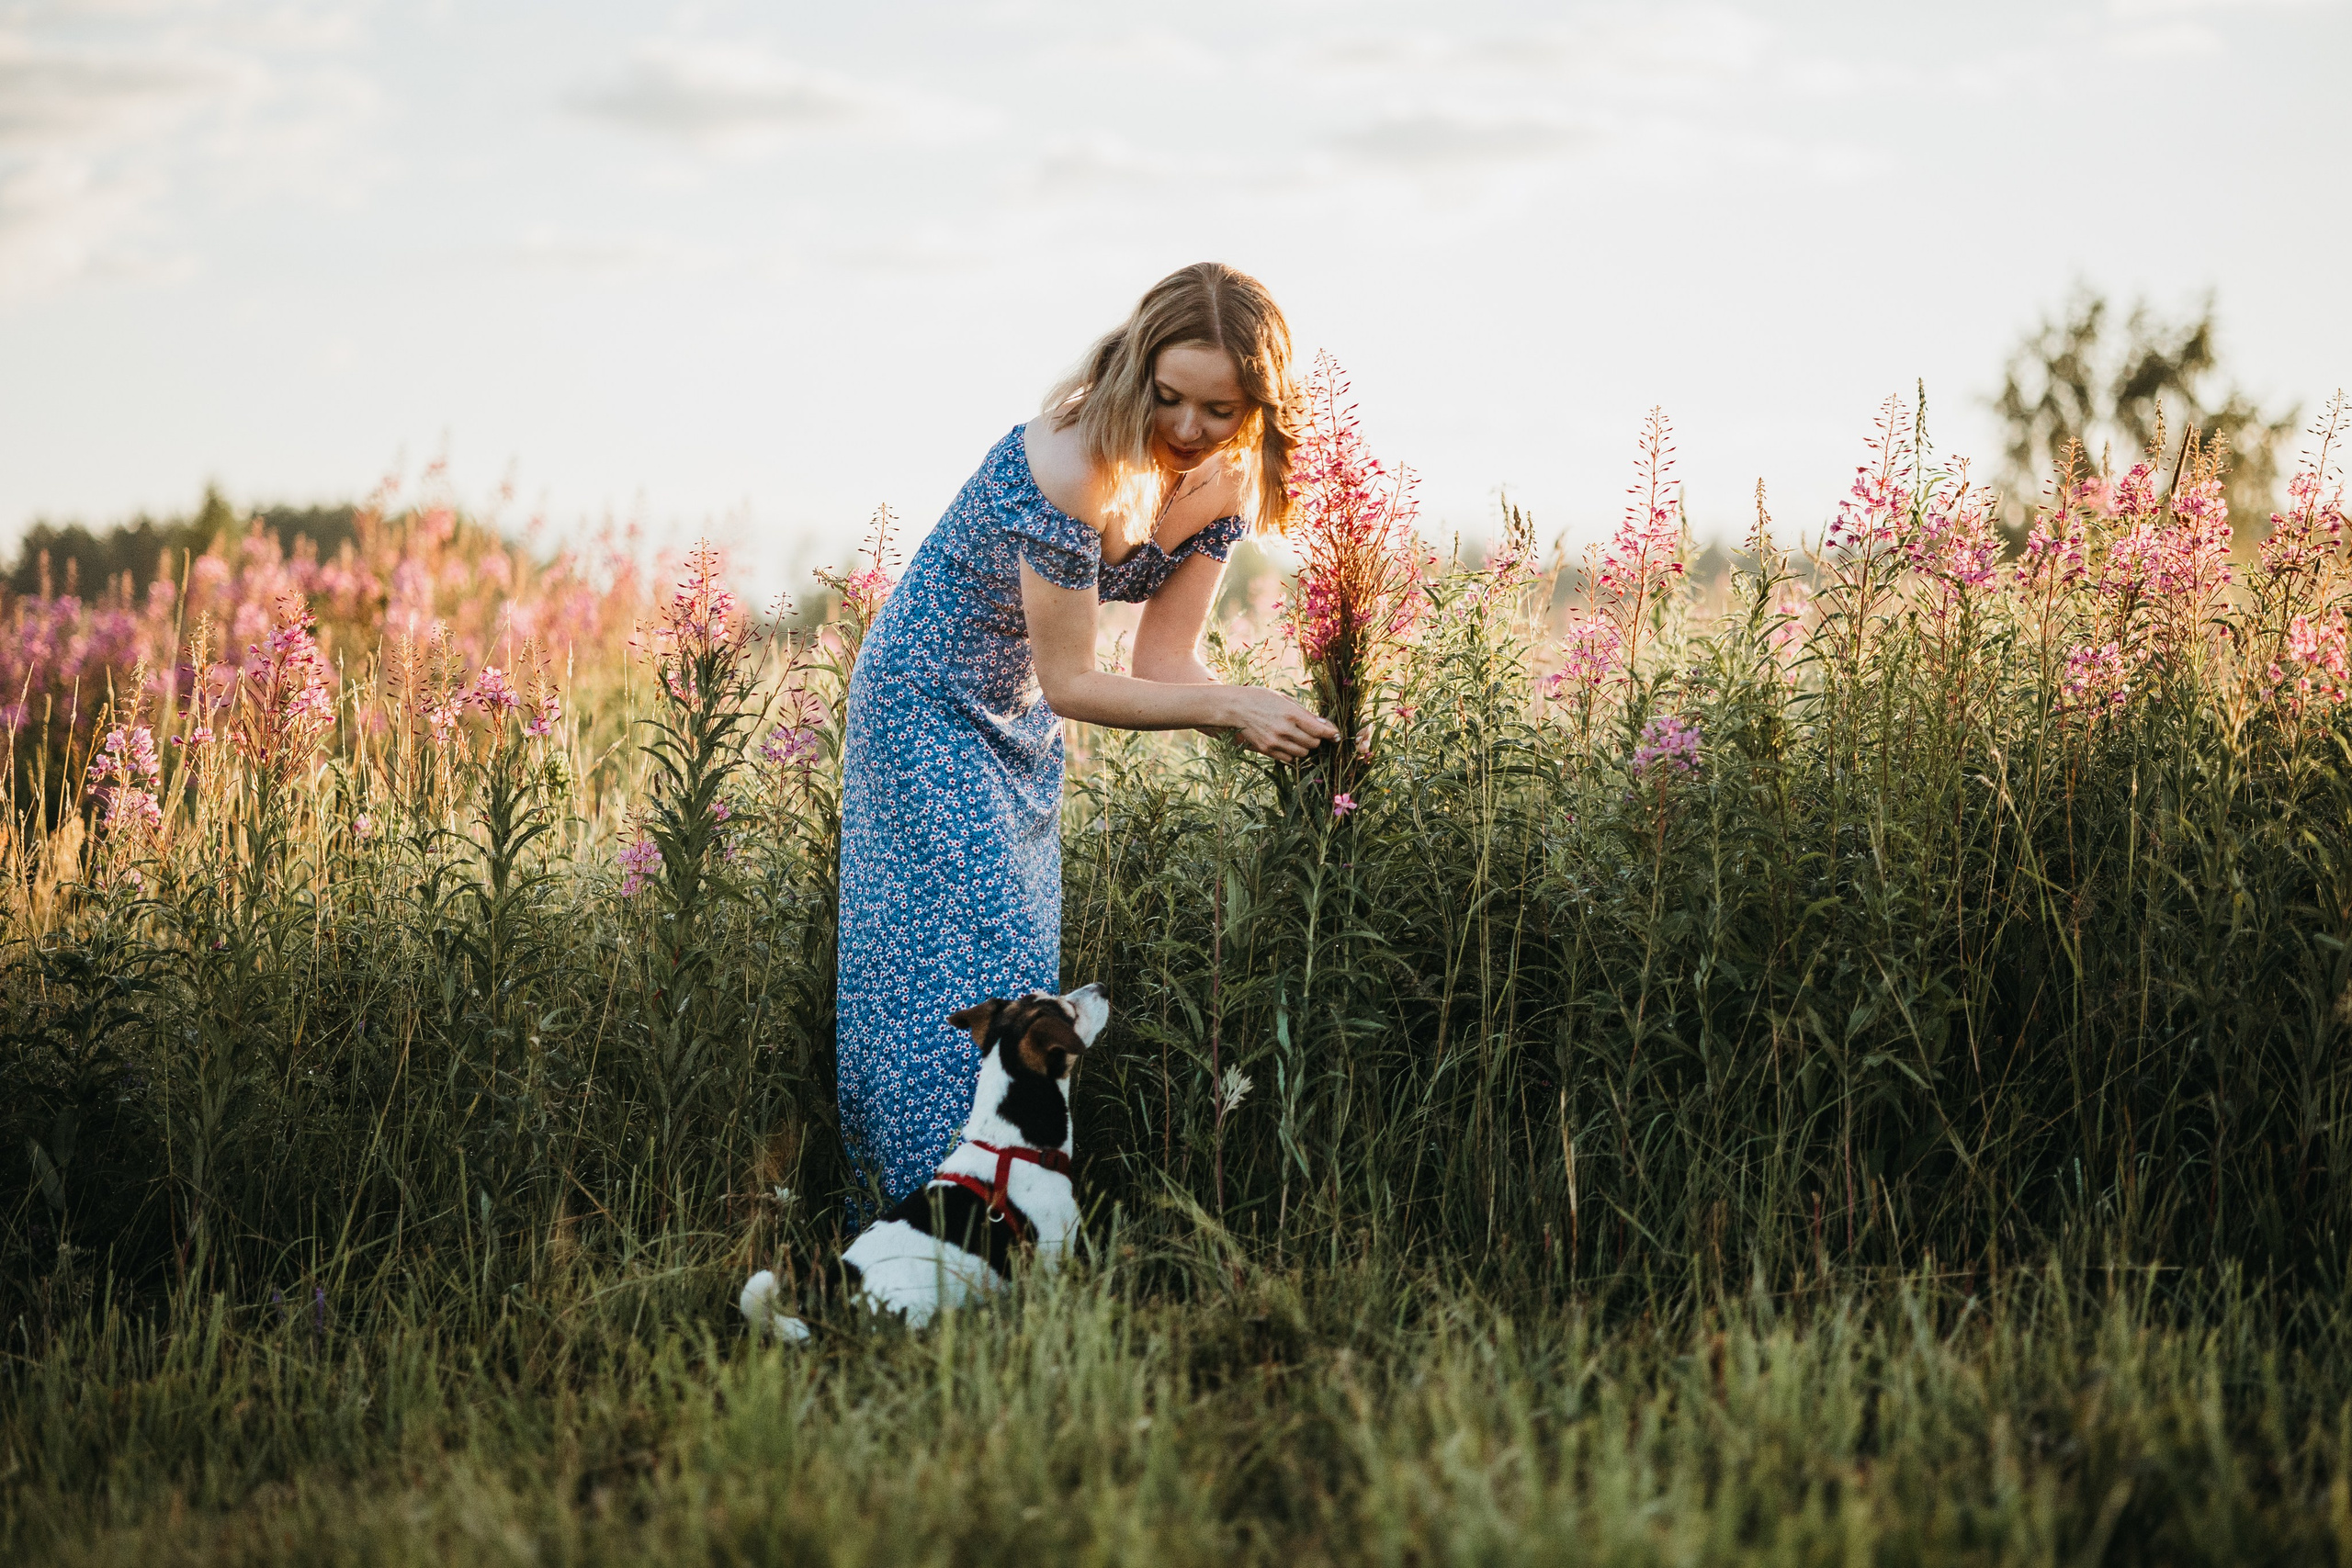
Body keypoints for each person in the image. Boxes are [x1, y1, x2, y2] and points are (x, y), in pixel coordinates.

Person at [834, 261, 1337, 1207]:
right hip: (922, 701)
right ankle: (911, 1216)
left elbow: (1163, 666)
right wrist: (1230, 709)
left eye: (1221, 410)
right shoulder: (1071, 462)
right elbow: (1074, 681)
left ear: (1257, 406)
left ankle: (997, 1216)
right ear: (1138, 368)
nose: (1189, 429)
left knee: (1016, 967)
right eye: (1170, 397)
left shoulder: (1228, 482)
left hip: (1016, 718)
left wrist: (1268, 711)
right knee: (944, 970)